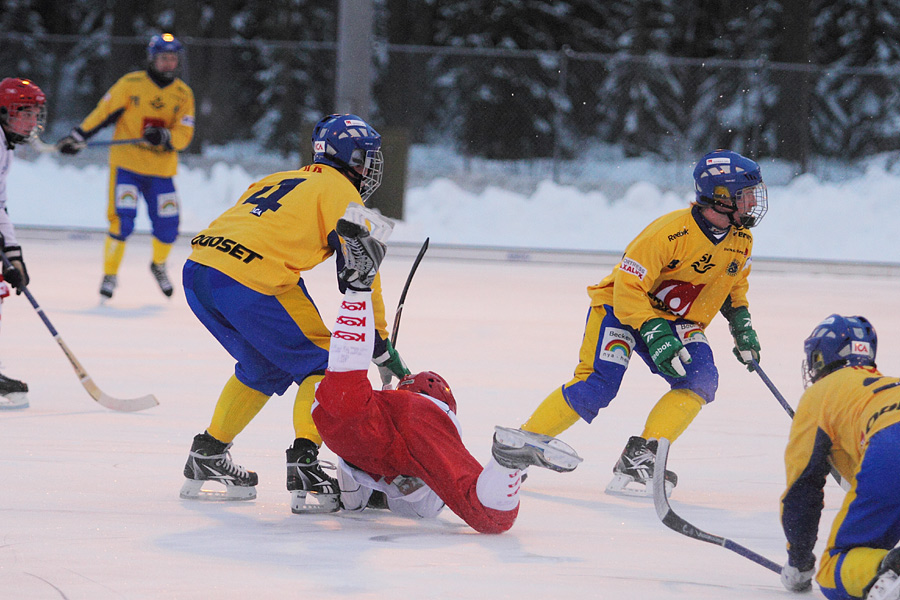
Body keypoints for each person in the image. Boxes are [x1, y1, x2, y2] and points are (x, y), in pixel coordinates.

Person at [178, 114, 409, 514]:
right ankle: (304, 463)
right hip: (252, 278)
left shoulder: (274, 178)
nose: (369, 168)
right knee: (324, 362)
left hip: (200, 272)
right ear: (344, 157)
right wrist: (381, 345)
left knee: (263, 366)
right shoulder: (342, 193)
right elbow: (363, 276)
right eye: (363, 158)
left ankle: (208, 453)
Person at [511, 149, 768, 497]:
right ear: (721, 197)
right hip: (621, 309)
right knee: (598, 385)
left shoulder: (741, 240)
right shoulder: (670, 232)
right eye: (746, 193)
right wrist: (652, 329)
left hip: (675, 319)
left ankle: (643, 456)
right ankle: (520, 444)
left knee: (701, 378)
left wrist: (742, 326)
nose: (754, 201)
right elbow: (628, 285)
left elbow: (732, 285)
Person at [312, 203, 582, 532]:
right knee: (489, 517)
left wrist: (379, 483)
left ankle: (357, 291)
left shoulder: (399, 407)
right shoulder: (435, 422)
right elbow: (420, 511)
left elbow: (352, 502)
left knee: (344, 397)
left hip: (360, 417)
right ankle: (506, 462)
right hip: (397, 431)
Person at [56, 33, 195, 301]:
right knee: (122, 221)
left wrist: (166, 137)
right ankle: (110, 274)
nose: (168, 64)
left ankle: (158, 265)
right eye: (163, 58)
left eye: (173, 59)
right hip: (127, 167)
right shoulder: (130, 84)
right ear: (152, 58)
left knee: (169, 225)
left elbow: (185, 134)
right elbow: (103, 113)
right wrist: (77, 137)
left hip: (161, 172)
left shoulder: (183, 94)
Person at [779, 314, 900, 600]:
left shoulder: (820, 394)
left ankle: (886, 574)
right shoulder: (887, 384)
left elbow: (802, 488)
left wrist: (800, 561)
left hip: (891, 442)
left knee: (834, 570)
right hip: (886, 438)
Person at [0, 77, 46, 409]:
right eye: (25, 113)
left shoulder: (5, 145)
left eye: (36, 114)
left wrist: (13, 255)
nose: (33, 122)